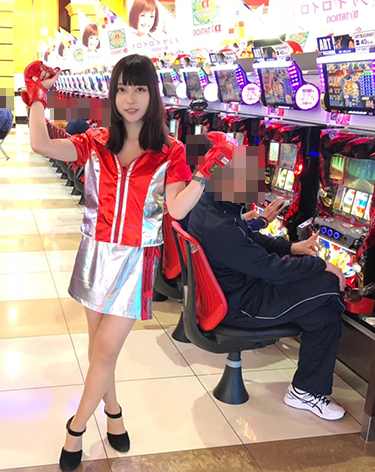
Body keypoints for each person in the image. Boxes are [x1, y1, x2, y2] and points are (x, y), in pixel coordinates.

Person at [23, 55, 236, 472]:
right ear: (113, 94)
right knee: (99, 351)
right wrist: (36, 97)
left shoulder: (170, 151)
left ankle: (75, 429)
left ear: (153, 94)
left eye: (139, 88)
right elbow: (41, 144)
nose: (130, 98)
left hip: (135, 259)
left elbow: (176, 209)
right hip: (94, 252)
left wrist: (206, 171)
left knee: (105, 350)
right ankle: (114, 411)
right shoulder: (97, 140)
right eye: (122, 89)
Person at [187, 152, 347, 422]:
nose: (258, 193)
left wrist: (291, 247)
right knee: (329, 286)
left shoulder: (210, 205)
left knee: (324, 312)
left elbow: (248, 237)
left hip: (235, 291)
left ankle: (306, 390)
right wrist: (322, 265)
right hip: (242, 305)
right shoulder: (219, 226)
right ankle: (306, 390)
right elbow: (272, 269)